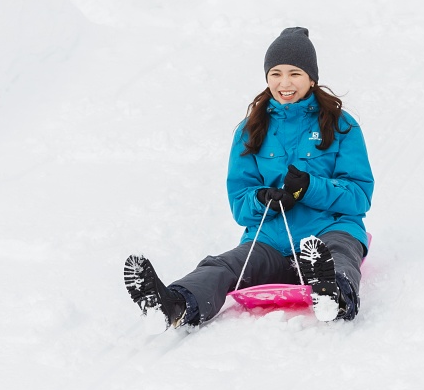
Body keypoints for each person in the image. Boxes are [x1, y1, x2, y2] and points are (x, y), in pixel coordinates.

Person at [124, 27, 374, 326]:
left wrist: (311, 187)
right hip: (272, 240)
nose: (284, 83)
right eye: (275, 74)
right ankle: (175, 305)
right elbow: (240, 205)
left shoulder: (341, 125)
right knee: (225, 265)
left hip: (330, 229)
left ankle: (334, 296)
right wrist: (262, 198)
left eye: (295, 73)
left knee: (337, 255)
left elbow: (359, 196)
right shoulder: (251, 129)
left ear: (311, 78)